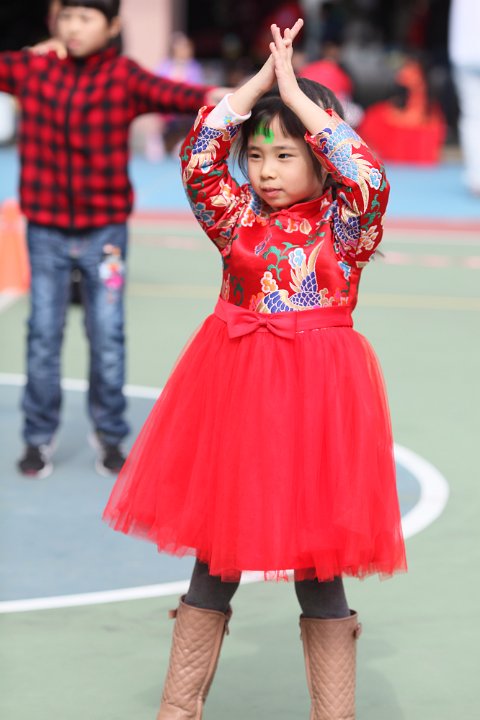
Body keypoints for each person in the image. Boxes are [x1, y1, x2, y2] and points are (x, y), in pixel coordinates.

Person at [103, 18, 407, 719]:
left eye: (286, 155)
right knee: (216, 558)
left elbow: (368, 174)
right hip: (238, 398)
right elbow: (200, 156)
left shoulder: (345, 228)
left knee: (319, 571)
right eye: (258, 155)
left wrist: (299, 97)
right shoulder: (234, 218)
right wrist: (259, 87)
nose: (266, 171)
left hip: (318, 406)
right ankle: (179, 708)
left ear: (320, 159)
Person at [0, 0, 219, 479]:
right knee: (42, 335)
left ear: (113, 25)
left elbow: (184, 94)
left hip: (106, 235)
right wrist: (32, 51)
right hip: (45, 232)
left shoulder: (123, 77)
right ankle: (37, 437)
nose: (74, 27)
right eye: (67, 16)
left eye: (86, 17)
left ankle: (110, 435)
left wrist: (242, 92)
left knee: (108, 336)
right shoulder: (32, 69)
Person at [146, 32, 205, 161]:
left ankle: (183, 143)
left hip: (185, 108)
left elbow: (197, 89)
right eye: (180, 47)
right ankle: (157, 140)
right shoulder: (165, 66)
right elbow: (157, 86)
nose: (183, 50)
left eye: (185, 47)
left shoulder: (194, 68)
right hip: (167, 107)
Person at [448, 0, 480, 195]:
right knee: (472, 116)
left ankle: (477, 178)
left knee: (473, 116)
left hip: (465, 53)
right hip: (465, 53)